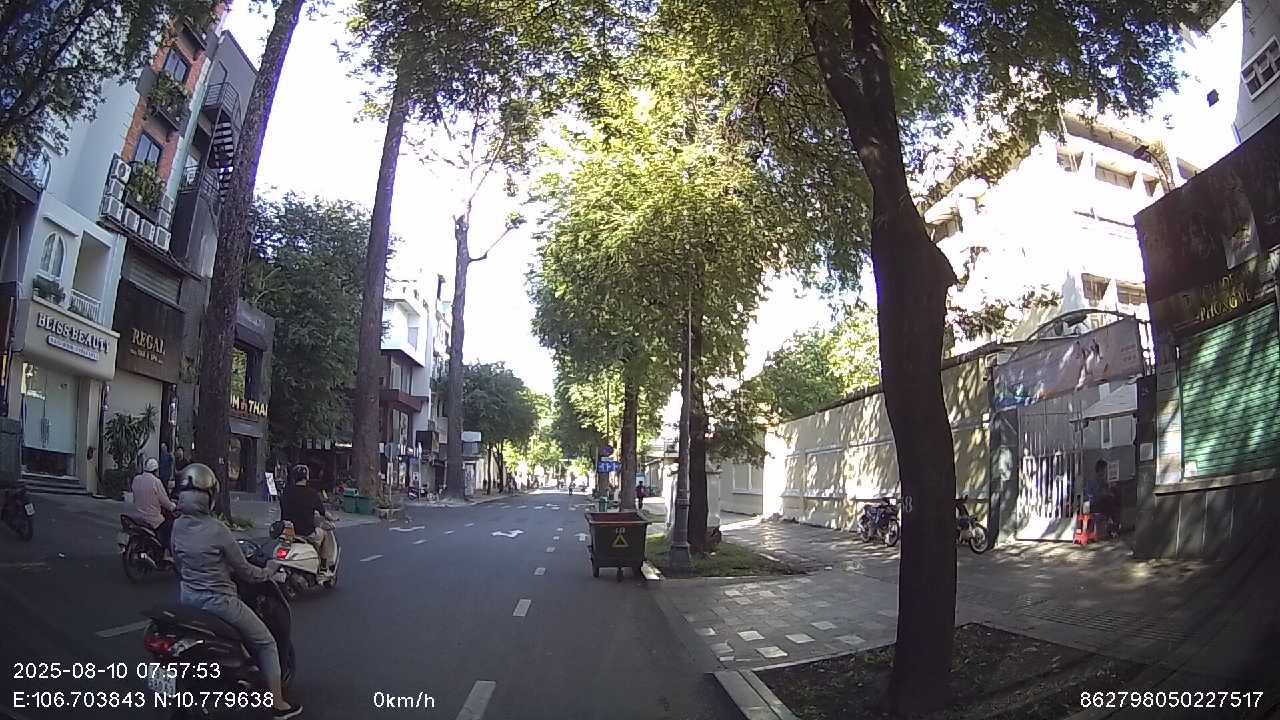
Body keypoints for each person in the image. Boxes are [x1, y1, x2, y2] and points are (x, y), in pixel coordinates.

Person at [170, 463, 301, 719]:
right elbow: (246, 572)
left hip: (187, 600)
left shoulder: (177, 526)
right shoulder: (217, 530)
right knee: (266, 643)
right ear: (209, 496)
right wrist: (269, 570)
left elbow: (178, 562)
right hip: (220, 603)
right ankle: (278, 704)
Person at [280, 465, 337, 575]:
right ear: (306, 477)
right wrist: (333, 518)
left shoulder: (286, 493)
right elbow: (323, 512)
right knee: (325, 535)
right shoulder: (312, 493)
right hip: (306, 532)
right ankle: (323, 567)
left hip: (287, 532)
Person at [131, 458, 175, 552]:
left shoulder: (136, 479)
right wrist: (173, 506)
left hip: (137, 517)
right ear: (156, 470)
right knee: (169, 527)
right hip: (152, 519)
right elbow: (164, 501)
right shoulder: (156, 482)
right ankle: (165, 553)